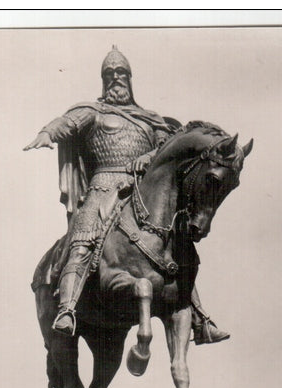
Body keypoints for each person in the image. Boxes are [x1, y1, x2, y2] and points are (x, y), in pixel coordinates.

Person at [25, 46, 229, 344]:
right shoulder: (92, 112)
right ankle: (67, 309)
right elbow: (67, 123)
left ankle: (199, 317)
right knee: (82, 240)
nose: (115, 77)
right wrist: (47, 132)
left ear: (130, 78)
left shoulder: (148, 119)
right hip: (102, 187)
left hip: (141, 188)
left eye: (121, 72)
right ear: (103, 79)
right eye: (109, 73)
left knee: (175, 246)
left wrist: (148, 157)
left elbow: (167, 147)